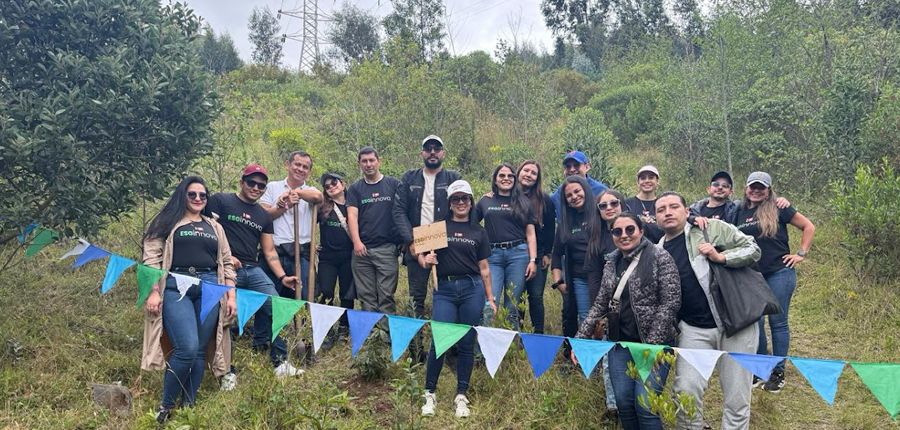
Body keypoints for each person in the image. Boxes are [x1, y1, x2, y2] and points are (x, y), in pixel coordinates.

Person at [655, 191, 761, 430]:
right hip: (693, 330)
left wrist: (721, 256)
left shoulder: (710, 228)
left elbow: (752, 249)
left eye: (673, 207)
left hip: (737, 323)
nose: (668, 212)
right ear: (655, 218)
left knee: (737, 398)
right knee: (685, 391)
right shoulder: (656, 251)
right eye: (661, 210)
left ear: (687, 211)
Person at [142, 176, 237, 424]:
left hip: (210, 288)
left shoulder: (215, 227)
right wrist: (153, 290)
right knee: (186, 347)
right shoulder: (167, 222)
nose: (197, 199)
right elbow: (151, 259)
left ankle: (188, 405)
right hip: (176, 286)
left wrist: (231, 297)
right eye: (192, 194)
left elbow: (227, 263)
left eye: (202, 195)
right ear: (182, 195)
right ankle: (165, 406)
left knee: (198, 351)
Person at [574, 212, 681, 430]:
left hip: (654, 345)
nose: (624, 235)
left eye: (630, 229)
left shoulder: (660, 257)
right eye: (617, 231)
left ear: (641, 231)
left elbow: (670, 303)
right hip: (619, 345)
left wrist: (651, 348)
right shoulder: (611, 262)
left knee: (646, 407)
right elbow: (600, 304)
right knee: (624, 404)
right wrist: (580, 341)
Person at [205, 165, 302, 389]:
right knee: (226, 314)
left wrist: (283, 277)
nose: (256, 188)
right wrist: (227, 257)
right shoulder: (221, 201)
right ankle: (227, 371)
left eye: (261, 185)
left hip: (253, 269)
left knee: (278, 306)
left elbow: (269, 251)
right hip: (226, 269)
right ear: (242, 182)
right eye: (251, 183)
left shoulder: (262, 215)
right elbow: (208, 232)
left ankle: (280, 363)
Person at [417, 180, 496, 419]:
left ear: (471, 202)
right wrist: (425, 261)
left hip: (473, 289)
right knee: (439, 340)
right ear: (450, 204)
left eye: (465, 199)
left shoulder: (478, 231)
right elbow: (419, 255)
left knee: (467, 342)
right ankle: (429, 392)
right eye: (456, 199)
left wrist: (490, 298)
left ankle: (461, 394)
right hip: (445, 289)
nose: (461, 203)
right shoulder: (437, 227)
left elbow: (484, 268)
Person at [734, 172, 815, 392]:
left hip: (779, 272)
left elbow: (808, 227)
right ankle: (760, 368)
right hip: (751, 276)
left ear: (769, 190)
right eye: (753, 186)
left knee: (777, 322)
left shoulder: (780, 208)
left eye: (761, 187)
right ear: (746, 188)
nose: (756, 190)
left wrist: (801, 253)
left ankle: (778, 372)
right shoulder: (738, 211)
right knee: (755, 322)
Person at [393, 135, 463, 319]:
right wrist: (411, 242)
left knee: (448, 294)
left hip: (448, 244)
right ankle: (416, 344)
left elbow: (464, 206)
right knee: (416, 297)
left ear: (443, 153)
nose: (432, 152)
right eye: (428, 149)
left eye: (437, 148)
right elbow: (399, 211)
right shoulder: (409, 177)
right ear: (422, 153)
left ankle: (446, 344)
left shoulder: (453, 178)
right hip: (417, 242)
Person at [474, 163, 538, 328]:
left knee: (513, 305)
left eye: (510, 176)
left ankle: (511, 349)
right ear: (495, 180)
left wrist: (533, 260)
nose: (506, 179)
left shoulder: (523, 202)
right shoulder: (485, 201)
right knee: (489, 303)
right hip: (492, 256)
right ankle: (483, 351)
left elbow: (530, 234)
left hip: (518, 255)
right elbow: (471, 225)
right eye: (502, 175)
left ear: (514, 179)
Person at [259, 150, 324, 299]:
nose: (300, 169)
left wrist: (295, 193)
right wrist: (284, 206)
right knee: (270, 302)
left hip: (301, 254)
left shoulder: (310, 191)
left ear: (309, 171)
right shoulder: (272, 187)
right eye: (297, 164)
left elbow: (318, 197)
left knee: (302, 299)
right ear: (288, 165)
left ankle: (301, 323)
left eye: (305, 167)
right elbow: (263, 216)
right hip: (274, 253)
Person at [347, 146, 402, 314]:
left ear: (379, 161)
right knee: (366, 296)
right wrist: (356, 242)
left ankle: (386, 335)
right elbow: (352, 216)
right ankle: (371, 335)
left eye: (372, 160)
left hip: (387, 249)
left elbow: (401, 213)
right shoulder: (355, 188)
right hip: (362, 251)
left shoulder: (393, 184)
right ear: (359, 164)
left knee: (386, 295)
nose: (368, 164)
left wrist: (405, 240)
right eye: (364, 161)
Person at [551, 176, 600, 323]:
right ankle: (587, 347)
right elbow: (557, 254)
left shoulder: (600, 214)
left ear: (585, 189)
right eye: (569, 195)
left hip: (603, 276)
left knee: (606, 319)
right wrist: (558, 282)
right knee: (586, 320)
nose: (574, 197)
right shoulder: (565, 224)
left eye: (577, 191)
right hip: (579, 279)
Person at [317, 173, 355, 347]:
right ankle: (327, 328)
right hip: (327, 258)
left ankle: (344, 327)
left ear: (343, 183)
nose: (331, 187)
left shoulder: (353, 204)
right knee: (326, 292)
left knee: (347, 294)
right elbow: (306, 225)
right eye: (327, 186)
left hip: (348, 257)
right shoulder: (322, 207)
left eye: (334, 183)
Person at [517, 160, 555, 333]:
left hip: (539, 255)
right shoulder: (508, 196)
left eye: (534, 173)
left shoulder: (544, 199)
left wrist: (548, 253)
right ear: (519, 172)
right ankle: (516, 331)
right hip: (515, 254)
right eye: (526, 170)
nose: (529, 175)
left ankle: (537, 333)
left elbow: (550, 229)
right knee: (517, 296)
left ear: (537, 178)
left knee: (536, 296)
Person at [689, 171, 790, 222]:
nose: (720, 187)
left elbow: (757, 199)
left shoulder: (736, 208)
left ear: (731, 192)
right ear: (708, 189)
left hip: (723, 258)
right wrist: (693, 219)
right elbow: (680, 219)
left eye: (725, 186)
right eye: (716, 184)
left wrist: (779, 200)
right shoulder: (695, 209)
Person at [550, 150, 609, 220]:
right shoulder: (560, 191)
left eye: (576, 165)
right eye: (568, 167)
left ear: (587, 167)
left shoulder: (600, 190)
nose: (572, 170)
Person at [624, 165, 664, 242]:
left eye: (651, 177)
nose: (647, 181)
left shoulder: (663, 204)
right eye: (643, 178)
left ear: (657, 181)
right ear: (638, 182)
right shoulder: (627, 203)